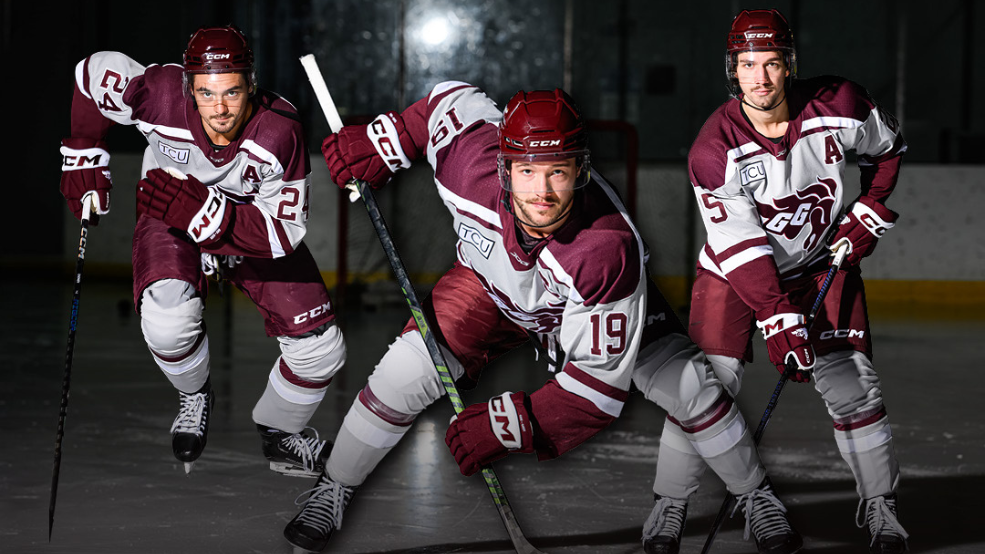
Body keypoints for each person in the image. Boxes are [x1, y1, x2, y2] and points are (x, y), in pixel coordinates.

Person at [281, 83, 802, 554]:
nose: (543, 191)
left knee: (693, 388)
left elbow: (598, 391)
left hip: (587, 306)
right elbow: (448, 100)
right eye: (527, 170)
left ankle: (754, 495)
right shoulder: (469, 162)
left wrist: (516, 424)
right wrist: (388, 137)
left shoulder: (605, 250)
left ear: (582, 169)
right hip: (488, 291)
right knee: (400, 378)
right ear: (504, 167)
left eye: (558, 170)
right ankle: (333, 489)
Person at [58, 25, 346, 478]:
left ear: (252, 84)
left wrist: (210, 216)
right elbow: (92, 73)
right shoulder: (157, 94)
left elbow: (284, 231)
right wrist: (83, 149)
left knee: (322, 351)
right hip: (167, 205)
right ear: (187, 87)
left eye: (232, 92)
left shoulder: (280, 130)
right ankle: (195, 393)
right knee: (167, 324)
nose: (221, 110)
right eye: (206, 93)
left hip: (251, 221)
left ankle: (280, 432)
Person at [678, 8, 909, 554]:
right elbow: (741, 245)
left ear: (790, 66)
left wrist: (870, 206)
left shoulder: (842, 104)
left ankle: (882, 507)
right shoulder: (714, 149)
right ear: (731, 68)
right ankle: (672, 503)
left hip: (819, 264)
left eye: (772, 63)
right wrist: (777, 315)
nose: (760, 76)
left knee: (854, 388)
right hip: (737, 273)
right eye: (748, 63)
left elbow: (888, 150)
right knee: (704, 389)